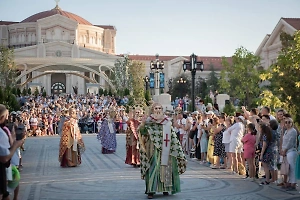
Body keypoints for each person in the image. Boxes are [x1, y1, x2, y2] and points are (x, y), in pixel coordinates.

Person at [139, 102, 186, 199]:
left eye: (160, 108)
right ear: (152, 110)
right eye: (156, 108)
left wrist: (177, 149)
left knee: (165, 167)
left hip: (166, 149)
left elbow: (172, 136)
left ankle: (165, 188)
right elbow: (143, 133)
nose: (158, 110)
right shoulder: (149, 121)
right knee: (153, 167)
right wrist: (143, 124)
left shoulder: (167, 121)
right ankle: (151, 190)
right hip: (152, 149)